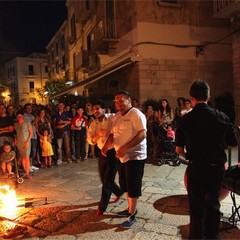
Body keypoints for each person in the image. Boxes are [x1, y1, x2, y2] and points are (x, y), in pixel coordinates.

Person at [175, 80, 238, 239]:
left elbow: (179, 150)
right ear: (208, 95)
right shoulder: (222, 117)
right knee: (213, 205)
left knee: (196, 207)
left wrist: (188, 157)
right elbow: (232, 145)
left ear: (191, 97)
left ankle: (196, 236)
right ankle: (212, 236)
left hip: (196, 167)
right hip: (216, 167)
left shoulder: (185, 119)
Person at [102, 90, 147, 228]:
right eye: (116, 101)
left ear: (129, 100)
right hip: (121, 157)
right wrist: (106, 146)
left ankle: (132, 214)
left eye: (121, 100)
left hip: (135, 156)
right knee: (125, 184)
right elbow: (113, 135)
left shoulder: (136, 114)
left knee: (133, 185)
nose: (118, 103)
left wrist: (124, 148)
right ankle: (130, 208)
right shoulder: (116, 117)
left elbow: (142, 134)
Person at [87, 100, 123, 216]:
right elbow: (90, 141)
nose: (96, 111)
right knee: (103, 179)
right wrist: (99, 134)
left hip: (113, 152)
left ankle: (102, 207)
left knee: (107, 181)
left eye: (98, 108)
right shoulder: (93, 124)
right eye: (94, 109)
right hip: (101, 152)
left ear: (104, 109)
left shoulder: (112, 118)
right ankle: (119, 191)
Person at [14, 110, 33, 179]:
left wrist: (28, 141)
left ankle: (27, 173)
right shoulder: (16, 124)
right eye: (18, 116)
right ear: (16, 117)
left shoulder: (27, 123)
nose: (19, 117)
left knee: (26, 157)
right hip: (19, 142)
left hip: (26, 141)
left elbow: (31, 133)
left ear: (23, 116)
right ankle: (26, 172)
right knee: (22, 157)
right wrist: (15, 139)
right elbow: (16, 133)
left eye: (21, 116)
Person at [23, 103, 39, 172]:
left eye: (30, 108)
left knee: (33, 150)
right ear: (25, 109)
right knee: (29, 151)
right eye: (28, 108)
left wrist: (36, 122)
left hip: (34, 135)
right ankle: (27, 165)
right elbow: (27, 126)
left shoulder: (32, 116)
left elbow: (35, 125)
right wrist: (33, 122)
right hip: (28, 136)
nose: (29, 109)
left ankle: (31, 164)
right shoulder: (24, 116)